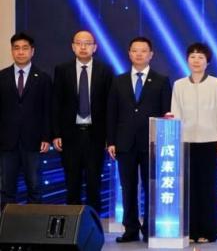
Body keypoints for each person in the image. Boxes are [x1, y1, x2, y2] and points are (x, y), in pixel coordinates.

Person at [107, 36, 172, 242]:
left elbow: (167, 114)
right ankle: (131, 229)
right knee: (128, 188)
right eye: (135, 50)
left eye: (143, 51)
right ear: (129, 54)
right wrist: (111, 141)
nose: (139, 54)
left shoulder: (161, 80)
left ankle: (150, 229)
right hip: (124, 143)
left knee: (150, 188)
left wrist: (164, 142)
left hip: (151, 143)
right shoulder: (118, 81)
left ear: (151, 54)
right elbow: (112, 113)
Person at [170, 42, 217, 243]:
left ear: (207, 62)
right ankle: (191, 230)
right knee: (189, 188)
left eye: (201, 57)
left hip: (210, 141)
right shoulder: (179, 85)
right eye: (193, 57)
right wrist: (175, 141)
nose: (196, 61)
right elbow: (175, 114)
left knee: (209, 187)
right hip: (186, 142)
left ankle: (209, 231)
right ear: (187, 60)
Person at [52, 30, 114, 216]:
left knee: (94, 183)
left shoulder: (105, 70)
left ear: (95, 47)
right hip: (70, 135)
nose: (83, 47)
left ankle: (93, 223)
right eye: (79, 43)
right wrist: (56, 133)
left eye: (87, 43)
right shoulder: (62, 70)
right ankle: (73, 223)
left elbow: (110, 106)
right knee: (72, 182)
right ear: (73, 47)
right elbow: (56, 104)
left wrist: (110, 138)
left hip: (96, 136)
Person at [0, 32, 51, 208]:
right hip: (7, 142)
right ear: (12, 51)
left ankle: (34, 222)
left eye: (25, 48)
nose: (20, 52)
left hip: (34, 141)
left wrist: (46, 137)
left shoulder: (43, 78)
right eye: (16, 48)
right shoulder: (2, 77)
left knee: (35, 186)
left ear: (32, 51)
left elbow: (47, 110)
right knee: (6, 188)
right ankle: (6, 223)